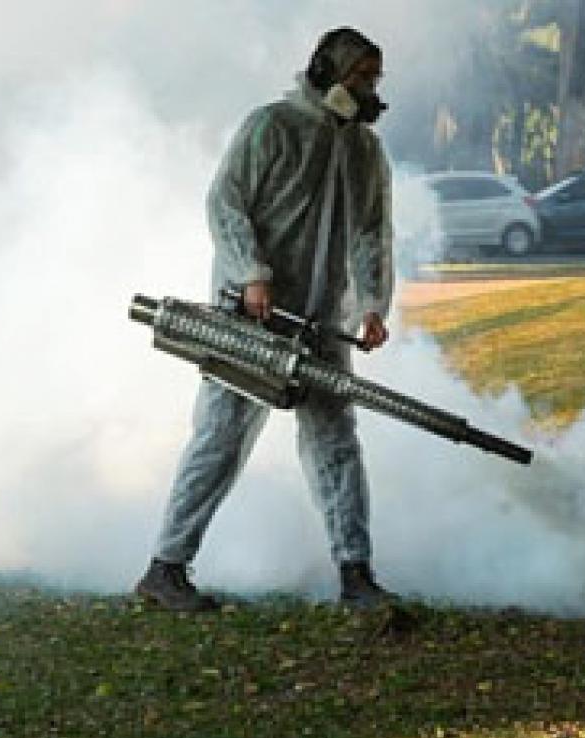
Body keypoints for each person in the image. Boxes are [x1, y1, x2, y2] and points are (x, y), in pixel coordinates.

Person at [136, 27, 395, 612]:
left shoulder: (362, 150)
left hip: (321, 319)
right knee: (221, 439)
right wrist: (251, 271)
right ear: (328, 72)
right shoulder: (271, 127)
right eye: (361, 78)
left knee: (336, 443)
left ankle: (356, 575)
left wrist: (374, 304)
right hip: (249, 316)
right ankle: (165, 568)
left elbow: (371, 232)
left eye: (374, 79)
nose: (370, 90)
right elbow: (224, 202)